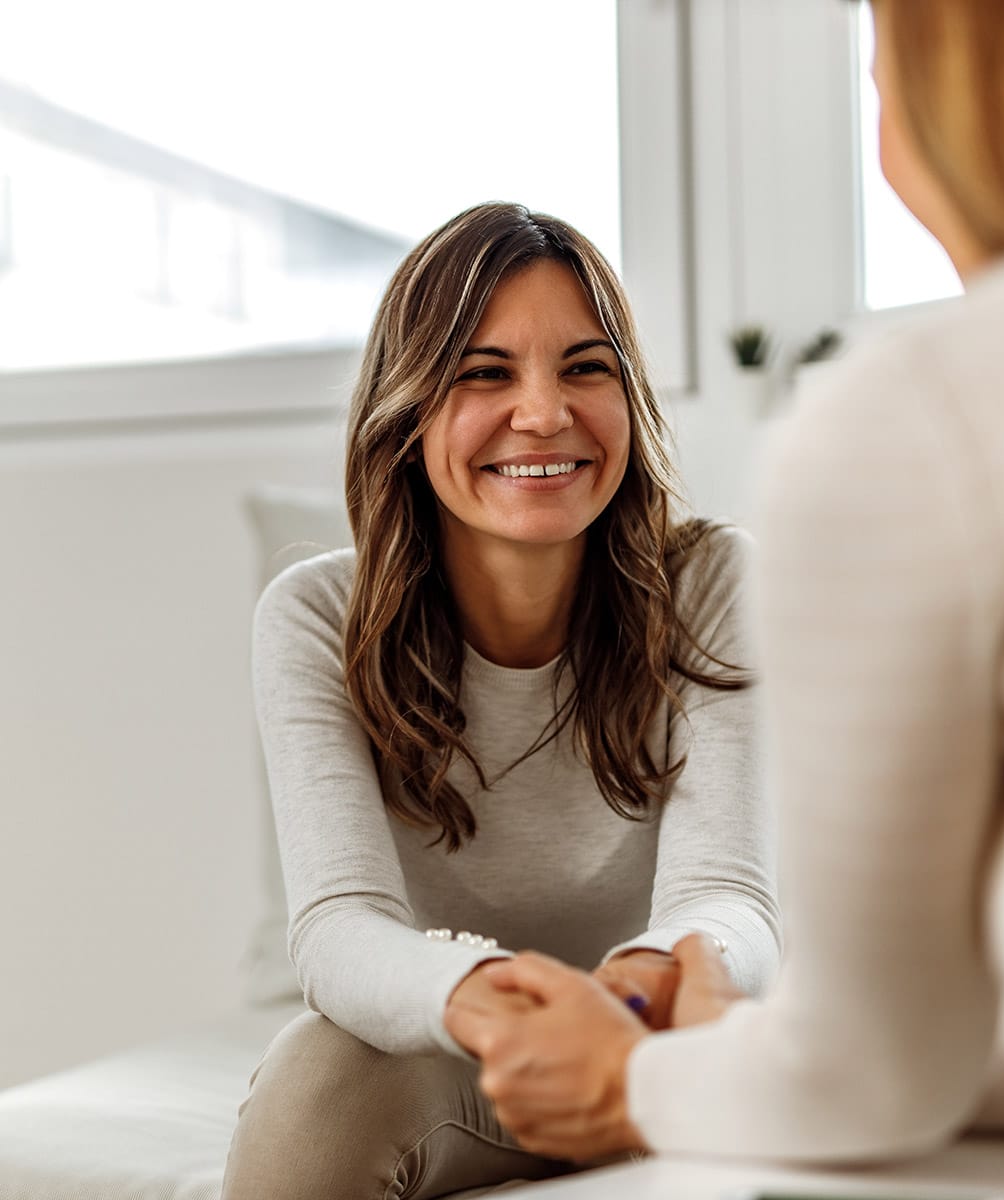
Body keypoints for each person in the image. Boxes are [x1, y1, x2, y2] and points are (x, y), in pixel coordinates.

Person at [447, 3, 1004, 1196]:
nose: (540, 412)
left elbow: (874, 1069)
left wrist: (626, 1081)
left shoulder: (928, 417)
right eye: (484, 373)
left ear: (942, 103)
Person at [219, 202, 782, 1200]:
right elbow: (340, 927)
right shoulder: (313, 616)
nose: (542, 412)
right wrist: (491, 999)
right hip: (462, 1045)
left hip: (666, 1044)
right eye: (485, 372)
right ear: (410, 408)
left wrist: (629, 998)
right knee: (317, 1080)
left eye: (584, 367)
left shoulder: (710, 584)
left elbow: (725, 898)